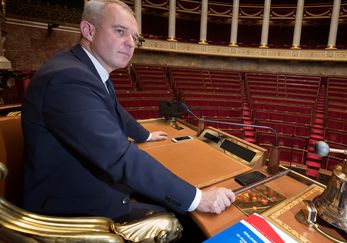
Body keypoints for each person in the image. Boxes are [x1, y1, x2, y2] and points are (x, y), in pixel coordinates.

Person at [21, 0, 235, 223]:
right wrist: (198, 198)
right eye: (120, 31)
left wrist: (146, 135)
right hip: (70, 210)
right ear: (89, 31)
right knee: (180, 221)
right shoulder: (68, 79)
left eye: (134, 37)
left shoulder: (86, 71)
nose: (130, 43)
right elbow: (119, 156)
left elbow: (115, 110)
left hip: (82, 190)